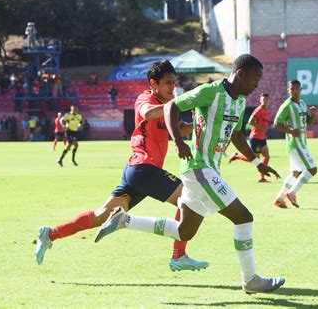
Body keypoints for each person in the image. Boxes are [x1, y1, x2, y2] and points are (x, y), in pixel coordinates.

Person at [95, 54, 286, 294]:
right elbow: (173, 106)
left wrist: (257, 162)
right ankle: (251, 280)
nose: (257, 84)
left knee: (185, 230)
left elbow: (237, 135)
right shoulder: (211, 91)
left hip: (207, 170)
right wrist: (178, 141)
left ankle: (125, 220)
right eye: (255, 78)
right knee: (244, 218)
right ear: (240, 73)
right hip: (199, 168)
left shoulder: (238, 102)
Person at [36, 60, 208, 271]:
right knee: (189, 199)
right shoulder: (146, 98)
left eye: (174, 82)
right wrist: (180, 102)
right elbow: (147, 113)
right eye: (167, 83)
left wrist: (201, 124)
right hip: (144, 168)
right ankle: (178, 255)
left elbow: (180, 130)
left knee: (101, 216)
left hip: (136, 172)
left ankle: (51, 233)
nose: (172, 87)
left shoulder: (168, 103)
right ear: (153, 83)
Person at [272, 80, 318, 209]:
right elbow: (276, 123)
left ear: (301, 90)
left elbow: (308, 123)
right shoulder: (287, 105)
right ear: (288, 90)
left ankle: (280, 199)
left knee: (296, 173)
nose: (296, 91)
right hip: (295, 144)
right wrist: (291, 131)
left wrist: (314, 115)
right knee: (312, 169)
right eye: (293, 89)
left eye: (298, 88)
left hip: (302, 143)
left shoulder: (302, 104)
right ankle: (292, 193)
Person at [229, 93, 271, 182]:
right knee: (254, 159)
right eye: (264, 100)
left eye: (267, 100)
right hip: (255, 138)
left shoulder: (266, 111)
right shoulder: (258, 110)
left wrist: (267, 127)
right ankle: (236, 156)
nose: (265, 101)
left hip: (262, 138)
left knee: (266, 156)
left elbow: (264, 123)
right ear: (260, 100)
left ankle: (262, 177)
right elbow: (250, 121)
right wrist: (261, 128)